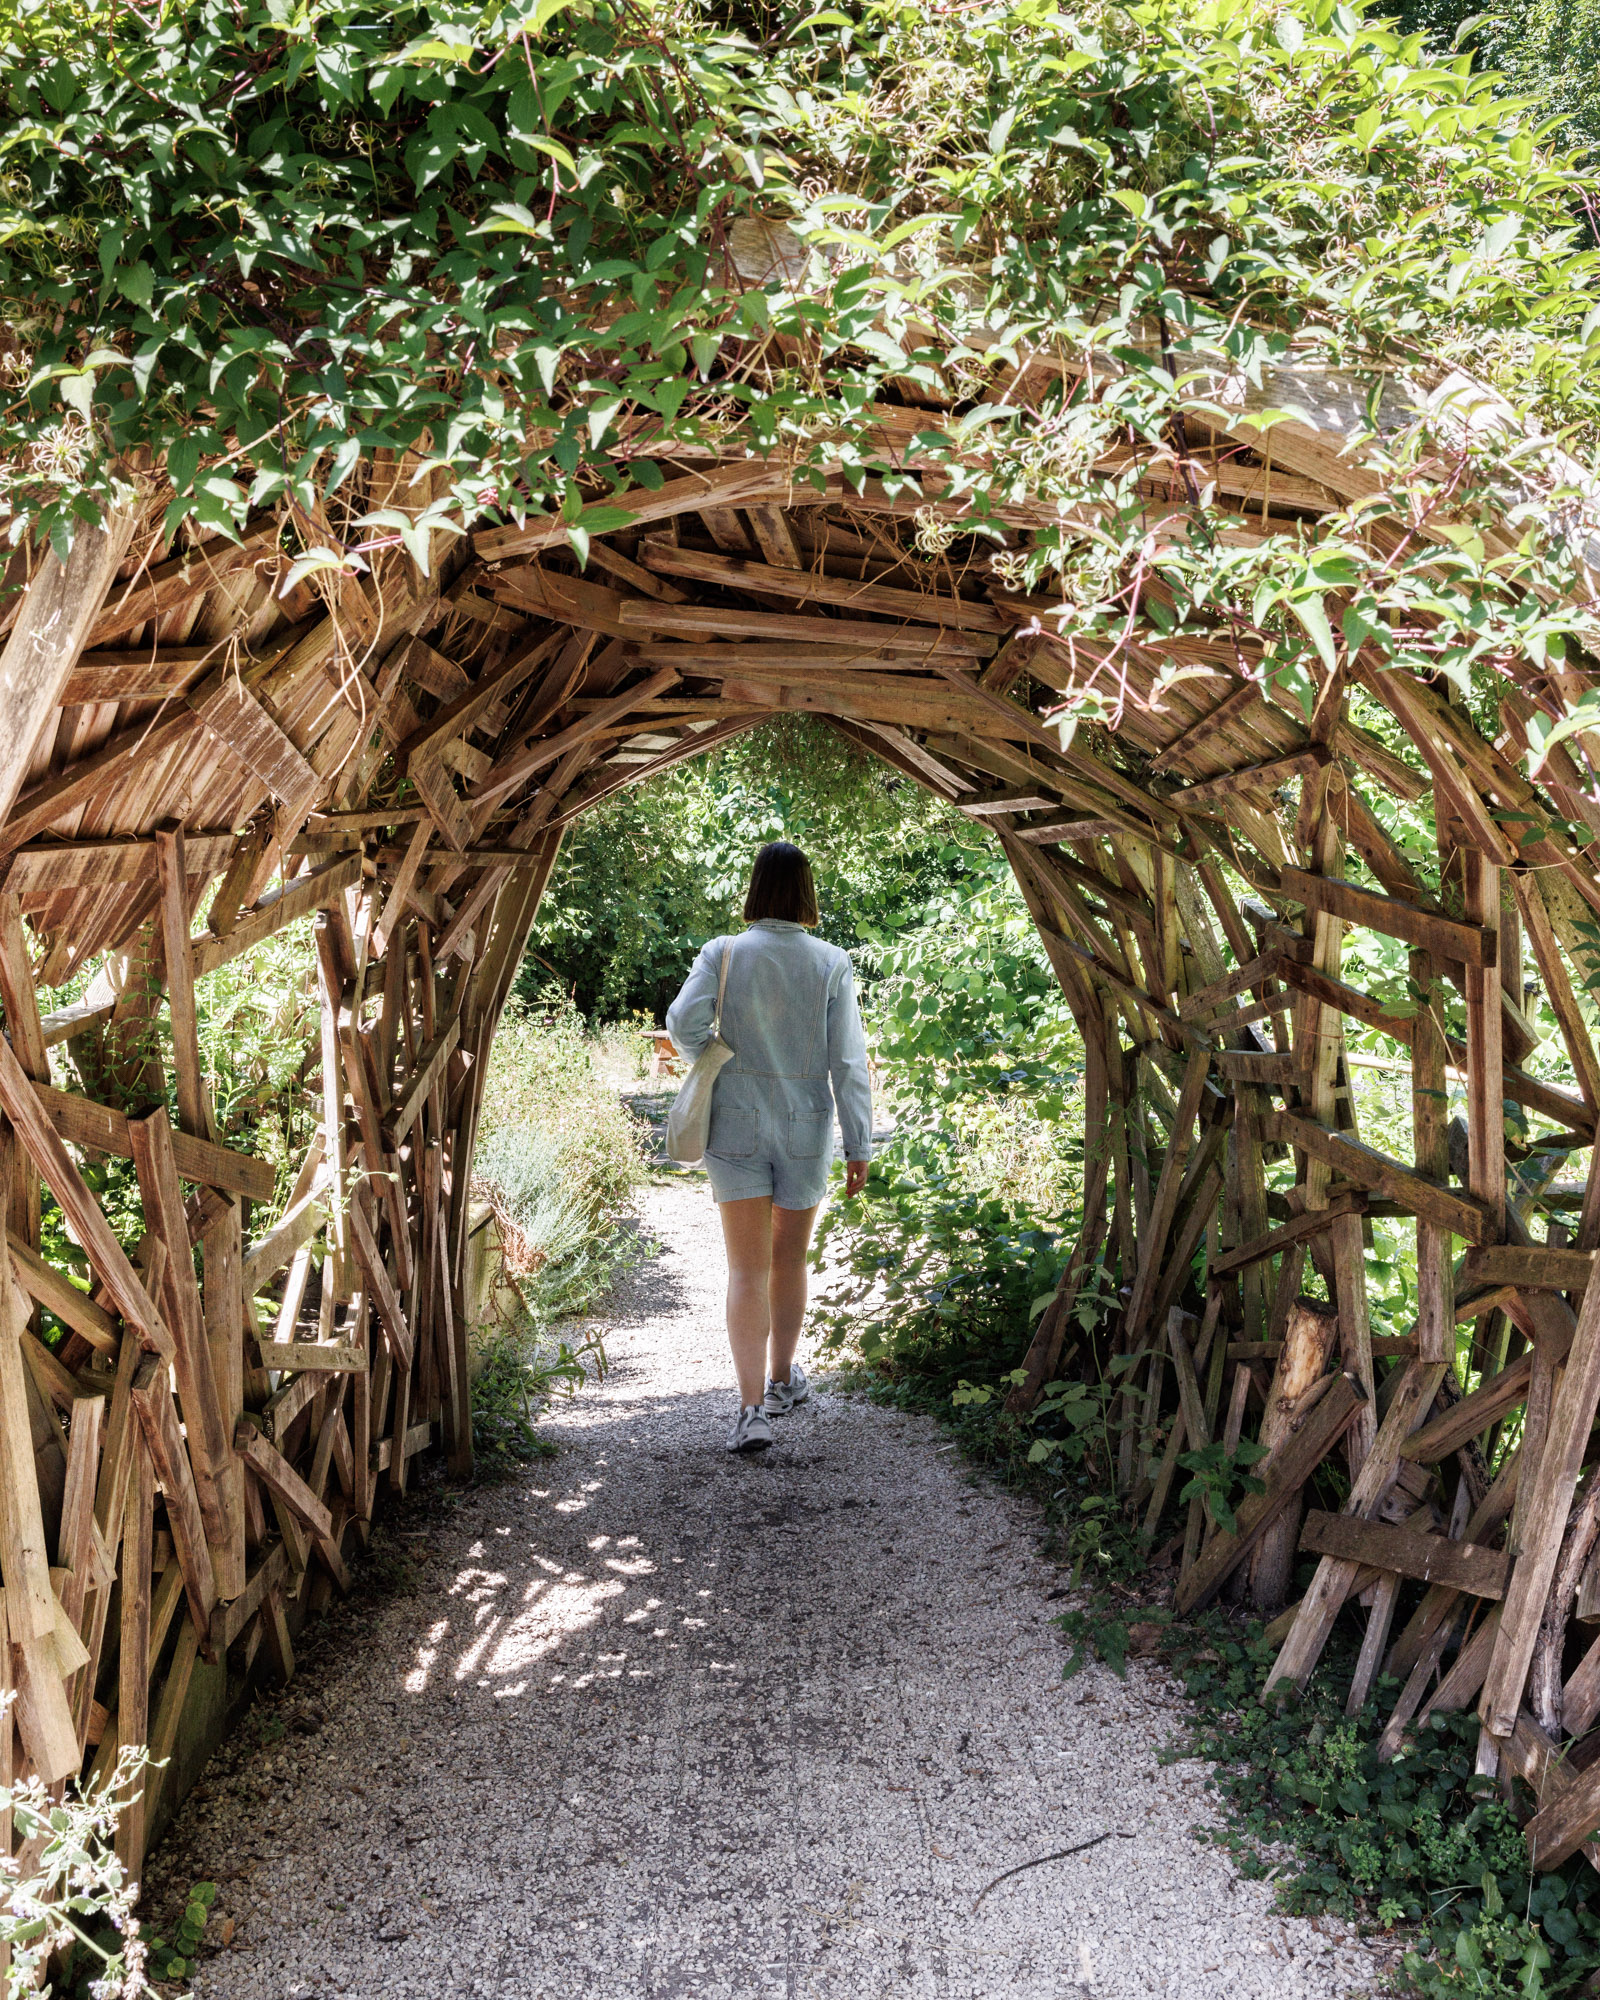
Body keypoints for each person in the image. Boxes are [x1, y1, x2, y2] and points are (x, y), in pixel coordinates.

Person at [665, 842, 872, 1454]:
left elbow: (681, 1022)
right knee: (789, 1260)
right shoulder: (831, 962)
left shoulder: (723, 953)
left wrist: (712, 1058)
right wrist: (858, 1141)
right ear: (806, 891)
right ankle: (784, 1382)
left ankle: (751, 1410)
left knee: (745, 1269)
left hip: (736, 1121)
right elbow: (849, 1061)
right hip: (807, 1124)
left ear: (756, 887)